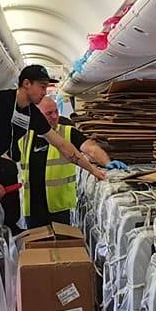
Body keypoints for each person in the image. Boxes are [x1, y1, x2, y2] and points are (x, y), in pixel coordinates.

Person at [0, 65, 107, 231]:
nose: (45, 92)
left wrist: (93, 170)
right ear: (26, 83)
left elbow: (61, 144)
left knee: (9, 170)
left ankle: (10, 225)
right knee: (1, 173)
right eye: (42, 87)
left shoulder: (31, 114)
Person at [18, 96, 113, 229]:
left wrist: (107, 163)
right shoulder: (24, 136)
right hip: (32, 208)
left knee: (63, 246)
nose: (55, 116)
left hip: (59, 207)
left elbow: (91, 148)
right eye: (49, 113)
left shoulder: (67, 132)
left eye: (56, 111)